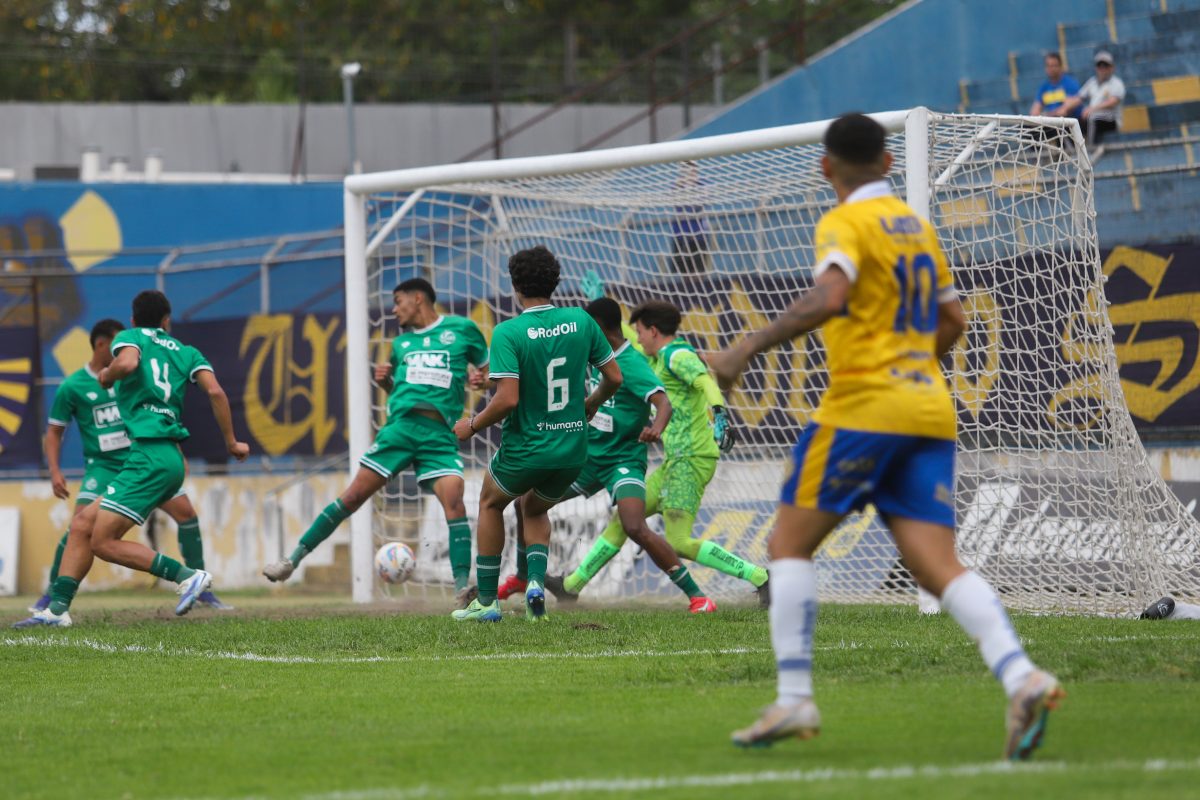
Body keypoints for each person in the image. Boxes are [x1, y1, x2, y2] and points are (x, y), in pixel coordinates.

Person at [705, 113, 1063, 759]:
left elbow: (831, 295)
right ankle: (1021, 675)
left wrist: (745, 348)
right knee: (939, 566)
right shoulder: (916, 227)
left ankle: (793, 699)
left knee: (787, 545)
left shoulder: (843, 222)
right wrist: (912, 366)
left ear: (825, 168)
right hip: (928, 408)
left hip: (862, 407)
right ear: (889, 162)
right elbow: (953, 320)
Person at [14, 290, 249, 628]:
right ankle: (56, 609)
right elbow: (215, 392)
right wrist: (232, 441)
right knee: (82, 525)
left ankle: (187, 576)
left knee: (104, 542)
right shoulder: (186, 352)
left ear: (134, 319)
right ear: (167, 322)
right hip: (160, 454)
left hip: (148, 456)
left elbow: (126, 363)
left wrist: (108, 375)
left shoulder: (131, 338)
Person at [261, 278, 488, 608]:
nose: (394, 309)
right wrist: (386, 383)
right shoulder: (401, 346)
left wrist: (481, 378)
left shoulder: (462, 329)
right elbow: (400, 392)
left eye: (398, 301)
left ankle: (461, 591)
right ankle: (291, 561)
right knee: (352, 496)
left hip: (439, 435)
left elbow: (489, 369)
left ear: (418, 299)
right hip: (400, 430)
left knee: (454, 498)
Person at [546, 300, 769, 605]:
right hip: (674, 461)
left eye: (640, 332)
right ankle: (571, 586)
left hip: (691, 460)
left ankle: (760, 577)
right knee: (626, 520)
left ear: (653, 331)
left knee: (678, 541)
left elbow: (705, 380)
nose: (636, 338)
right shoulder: (656, 358)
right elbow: (619, 336)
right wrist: (600, 305)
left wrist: (720, 413)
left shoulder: (677, 355)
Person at [508, 298, 716, 613]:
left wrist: (656, 429)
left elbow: (664, 403)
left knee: (634, 526)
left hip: (623, 461)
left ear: (601, 329)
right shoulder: (597, 355)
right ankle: (525, 578)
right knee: (524, 501)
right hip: (587, 459)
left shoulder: (631, 364)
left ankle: (698, 597)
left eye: (589, 328)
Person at [451, 245, 622, 622]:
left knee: (490, 504)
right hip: (574, 447)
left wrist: (472, 424)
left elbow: (507, 399)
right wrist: (591, 402)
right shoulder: (581, 321)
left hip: (527, 446)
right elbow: (615, 378)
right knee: (534, 506)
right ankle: (533, 586)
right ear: (555, 282)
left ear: (515, 286)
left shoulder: (508, 332)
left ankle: (487, 603)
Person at [1066, 50, 1125, 154]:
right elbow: (1079, 98)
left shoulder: (1116, 83)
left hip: (1111, 119)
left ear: (1112, 67)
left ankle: (1090, 151)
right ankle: (1073, 153)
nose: (1102, 69)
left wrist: (1092, 109)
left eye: (1105, 65)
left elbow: (1113, 102)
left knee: (1092, 118)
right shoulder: (1092, 82)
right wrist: (1064, 108)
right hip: (1092, 116)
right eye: (1099, 66)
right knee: (1069, 124)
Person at [669, 161, 708, 275]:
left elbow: (702, 203)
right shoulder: (677, 187)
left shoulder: (702, 186)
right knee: (681, 271)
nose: (690, 174)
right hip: (680, 234)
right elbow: (675, 202)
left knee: (698, 270)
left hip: (698, 234)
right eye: (687, 171)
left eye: (693, 171)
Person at [1030, 52, 1081, 120]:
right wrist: (1036, 113)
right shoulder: (1044, 87)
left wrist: (1050, 114)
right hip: (1051, 122)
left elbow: (1071, 104)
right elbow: (1035, 109)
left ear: (1060, 66)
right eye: (1048, 65)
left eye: (1054, 65)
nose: (1051, 69)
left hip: (1068, 123)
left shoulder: (1070, 83)